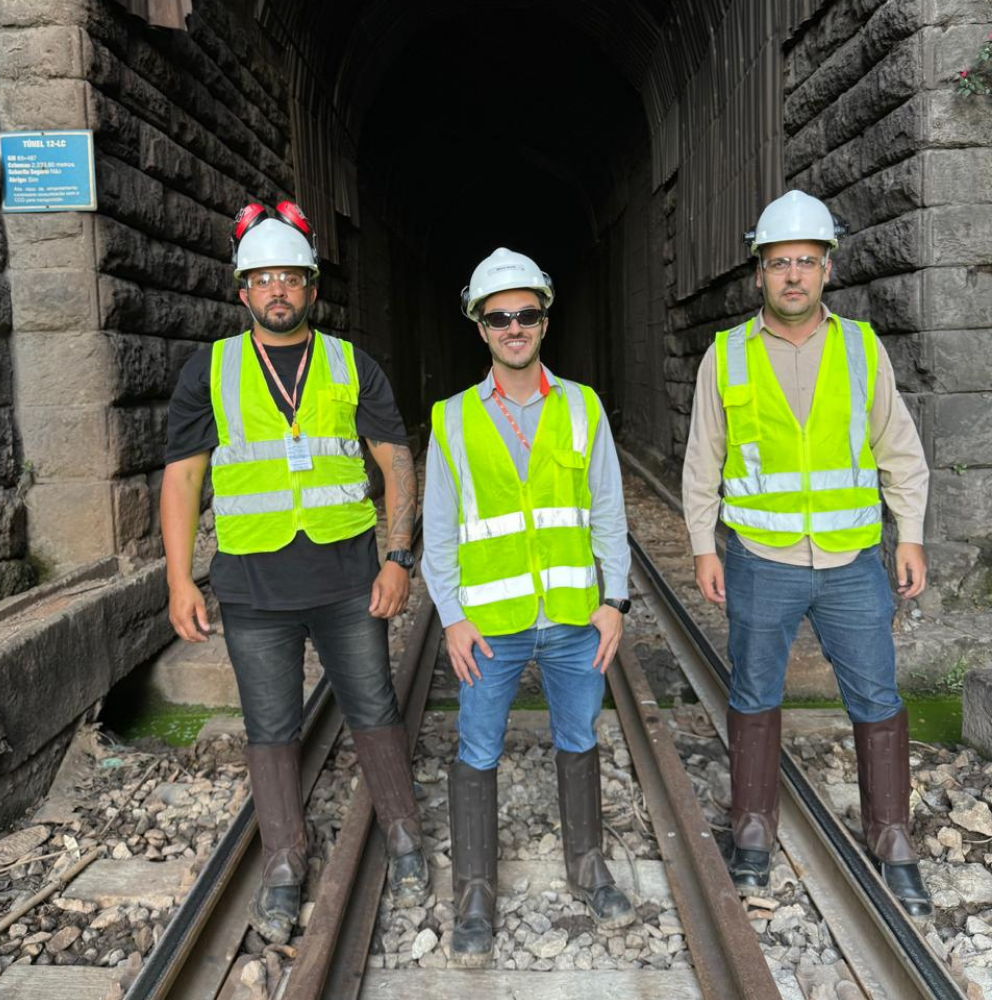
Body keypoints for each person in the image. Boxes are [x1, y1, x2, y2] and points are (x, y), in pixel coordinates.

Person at [160, 201, 429, 944]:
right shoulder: (209, 370)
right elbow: (183, 479)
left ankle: (403, 834)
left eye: (291, 277)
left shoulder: (349, 364)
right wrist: (180, 580)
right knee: (270, 725)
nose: (278, 290)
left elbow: (394, 458)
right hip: (253, 588)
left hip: (347, 578)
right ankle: (284, 861)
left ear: (313, 287)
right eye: (263, 278)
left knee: (373, 704)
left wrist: (399, 556)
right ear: (242, 290)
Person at [682, 190, 932, 916]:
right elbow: (705, 460)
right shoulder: (726, 355)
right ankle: (753, 831)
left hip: (853, 560)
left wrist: (907, 532)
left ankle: (892, 837)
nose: (793, 275)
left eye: (806, 262)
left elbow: (899, 448)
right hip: (761, 559)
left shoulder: (861, 347)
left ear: (828, 269)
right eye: (779, 263)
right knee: (755, 692)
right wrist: (705, 546)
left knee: (878, 697)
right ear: (758, 272)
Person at [422, 247, 636, 967]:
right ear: (479, 328)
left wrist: (615, 600)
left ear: (544, 320)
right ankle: (476, 892)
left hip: (577, 620)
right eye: (499, 317)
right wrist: (451, 615)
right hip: (491, 627)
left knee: (579, 736)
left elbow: (607, 509)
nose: (514, 327)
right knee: (476, 748)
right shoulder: (451, 420)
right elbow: (439, 531)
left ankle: (588, 866)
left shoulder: (582, 406)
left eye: (526, 314)